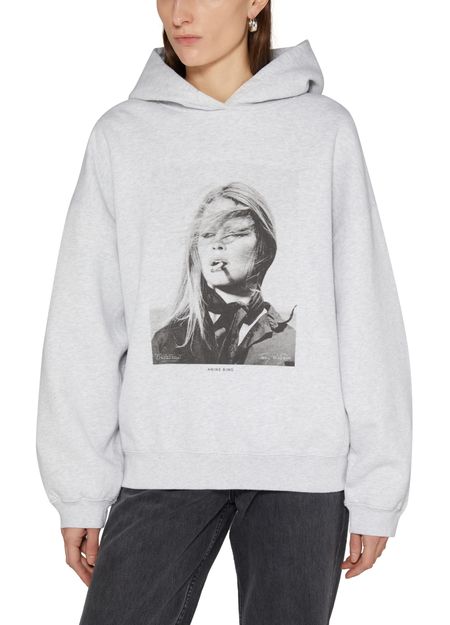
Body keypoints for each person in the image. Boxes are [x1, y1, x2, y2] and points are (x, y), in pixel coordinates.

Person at [35, 1, 413, 624]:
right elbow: (85, 317)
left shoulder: (323, 130)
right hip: (162, 460)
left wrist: (378, 487)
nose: (180, 13)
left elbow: (365, 311)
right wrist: (79, 486)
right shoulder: (123, 135)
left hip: (302, 470)